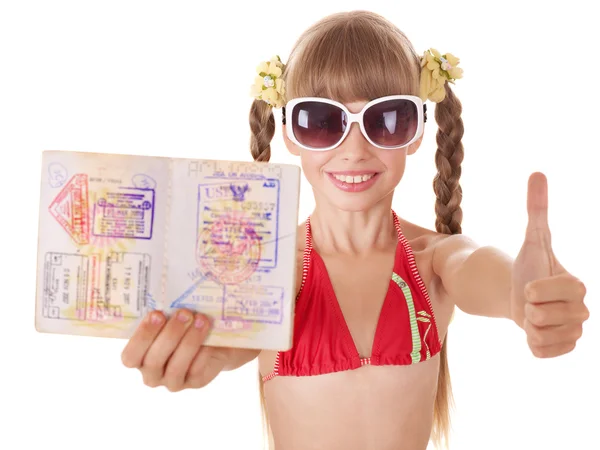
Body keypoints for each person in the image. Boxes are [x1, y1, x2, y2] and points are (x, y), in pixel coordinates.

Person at [120, 10, 589, 450]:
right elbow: (225, 345)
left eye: (387, 119)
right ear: (288, 131)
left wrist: (522, 295)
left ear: (418, 130)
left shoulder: (435, 260)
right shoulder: (273, 271)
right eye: (322, 122)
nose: (354, 149)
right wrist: (197, 355)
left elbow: (476, 267)